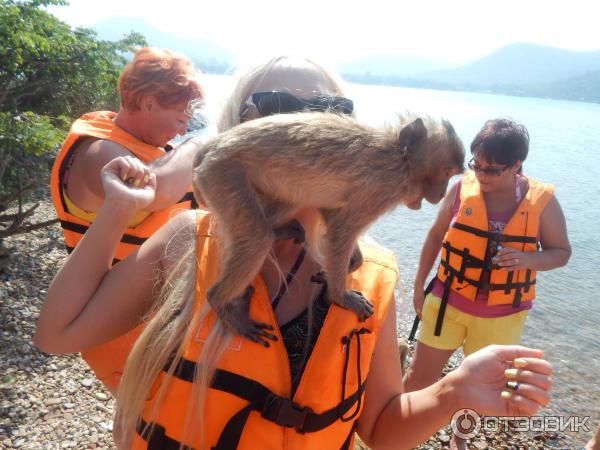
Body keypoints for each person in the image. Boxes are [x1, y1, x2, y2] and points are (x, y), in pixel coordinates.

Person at [35, 58, 553, 450]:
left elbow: (380, 430)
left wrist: (453, 390)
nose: (304, 127)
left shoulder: (368, 275)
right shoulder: (188, 239)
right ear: (249, 127)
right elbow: (55, 336)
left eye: (332, 112)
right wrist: (114, 213)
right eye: (282, 110)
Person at [403, 118, 570, 449]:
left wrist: (528, 260)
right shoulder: (460, 189)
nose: (481, 175)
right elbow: (435, 237)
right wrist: (419, 286)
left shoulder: (542, 202)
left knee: (480, 389)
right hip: (447, 303)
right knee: (419, 376)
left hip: (502, 315)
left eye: (492, 170)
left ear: (516, 166)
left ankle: (459, 439)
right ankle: (398, 426)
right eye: (476, 165)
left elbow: (561, 252)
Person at [49, 46, 205, 392]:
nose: (181, 133)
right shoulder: (97, 152)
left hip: (154, 322)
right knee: (150, 424)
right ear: (149, 102)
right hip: (116, 324)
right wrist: (198, 147)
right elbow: (155, 189)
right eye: (180, 119)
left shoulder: (150, 149)